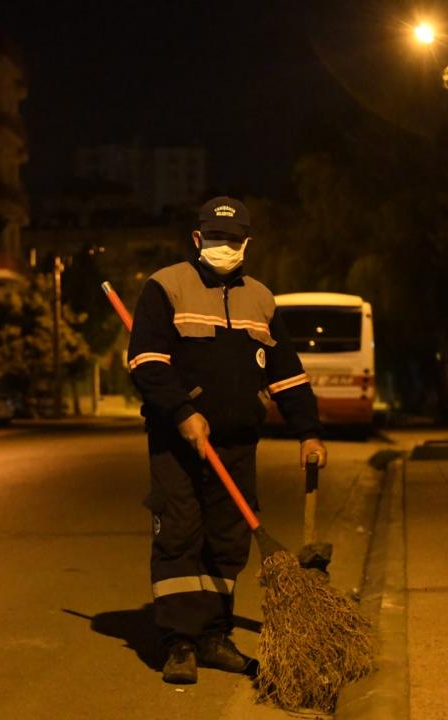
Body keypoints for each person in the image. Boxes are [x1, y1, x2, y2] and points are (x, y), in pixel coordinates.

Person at [127, 196, 327, 685]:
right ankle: (178, 642)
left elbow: (286, 374)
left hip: (237, 443)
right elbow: (146, 363)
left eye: (232, 240)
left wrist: (308, 431)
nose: (223, 247)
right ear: (197, 239)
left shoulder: (260, 297)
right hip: (178, 441)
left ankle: (214, 637)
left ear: (247, 243)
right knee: (179, 536)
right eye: (215, 239)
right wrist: (182, 412)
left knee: (228, 540)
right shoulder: (165, 286)